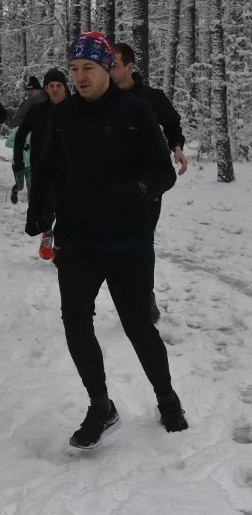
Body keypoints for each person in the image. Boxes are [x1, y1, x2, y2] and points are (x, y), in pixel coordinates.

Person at [25, 31, 189, 450]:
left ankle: (166, 397)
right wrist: (39, 211)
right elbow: (45, 167)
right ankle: (101, 405)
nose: (80, 77)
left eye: (89, 69)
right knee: (75, 318)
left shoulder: (135, 110)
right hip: (78, 237)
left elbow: (163, 174)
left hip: (128, 239)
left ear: (106, 69)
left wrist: (135, 190)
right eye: (75, 69)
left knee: (137, 325)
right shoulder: (62, 115)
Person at [110, 41, 189, 323]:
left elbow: (172, 124)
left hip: (147, 183)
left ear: (130, 67)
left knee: (142, 241)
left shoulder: (150, 98)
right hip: (112, 183)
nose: (109, 70)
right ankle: (124, 292)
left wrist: (177, 146)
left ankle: (145, 295)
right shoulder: (100, 97)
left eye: (115, 65)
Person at [13, 68, 68, 258]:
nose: (55, 90)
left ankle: (61, 245)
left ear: (65, 88)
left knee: (66, 207)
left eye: (58, 86)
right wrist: (18, 160)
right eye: (51, 86)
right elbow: (20, 136)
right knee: (47, 204)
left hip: (68, 168)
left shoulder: (74, 110)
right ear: (45, 88)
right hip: (41, 166)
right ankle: (47, 232)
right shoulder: (37, 111)